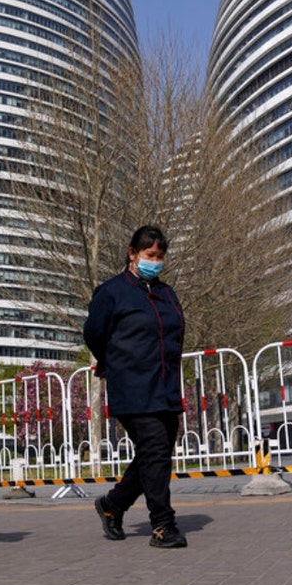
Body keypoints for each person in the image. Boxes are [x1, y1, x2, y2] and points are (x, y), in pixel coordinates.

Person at [83, 225, 188, 548]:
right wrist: (110, 362)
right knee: (154, 450)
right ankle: (162, 525)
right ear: (132, 253)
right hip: (132, 386)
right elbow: (94, 333)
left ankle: (112, 505)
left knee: (154, 455)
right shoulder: (112, 291)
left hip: (166, 385)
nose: (155, 261)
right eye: (149, 255)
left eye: (159, 256)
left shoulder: (167, 292)